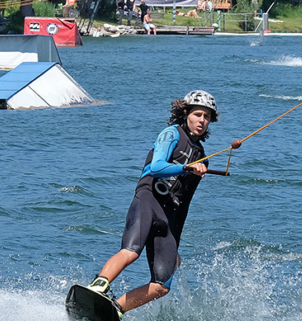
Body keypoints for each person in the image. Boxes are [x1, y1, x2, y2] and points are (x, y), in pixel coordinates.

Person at [84, 90, 240, 318]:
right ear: (186, 114)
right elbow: (156, 167)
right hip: (149, 200)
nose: (202, 121)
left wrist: (175, 243)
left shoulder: (202, 157)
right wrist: (186, 167)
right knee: (131, 251)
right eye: (197, 114)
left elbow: (184, 205)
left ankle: (114, 310)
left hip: (170, 218)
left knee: (162, 285)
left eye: (207, 117)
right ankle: (98, 285)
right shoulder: (171, 134)